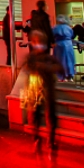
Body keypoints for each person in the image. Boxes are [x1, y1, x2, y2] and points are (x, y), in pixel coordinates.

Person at [25, 29, 61, 157]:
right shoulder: (32, 57)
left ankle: (48, 142)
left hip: (44, 89)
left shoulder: (47, 58)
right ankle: (38, 140)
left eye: (38, 41)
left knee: (47, 115)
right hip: (35, 89)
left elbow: (59, 67)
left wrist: (43, 67)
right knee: (34, 115)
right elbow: (28, 67)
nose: (37, 44)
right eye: (35, 42)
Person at [52, 16, 76, 81]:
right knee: (69, 60)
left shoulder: (55, 28)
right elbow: (72, 35)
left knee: (60, 60)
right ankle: (70, 75)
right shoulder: (69, 28)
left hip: (59, 45)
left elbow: (52, 35)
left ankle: (61, 76)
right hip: (68, 45)